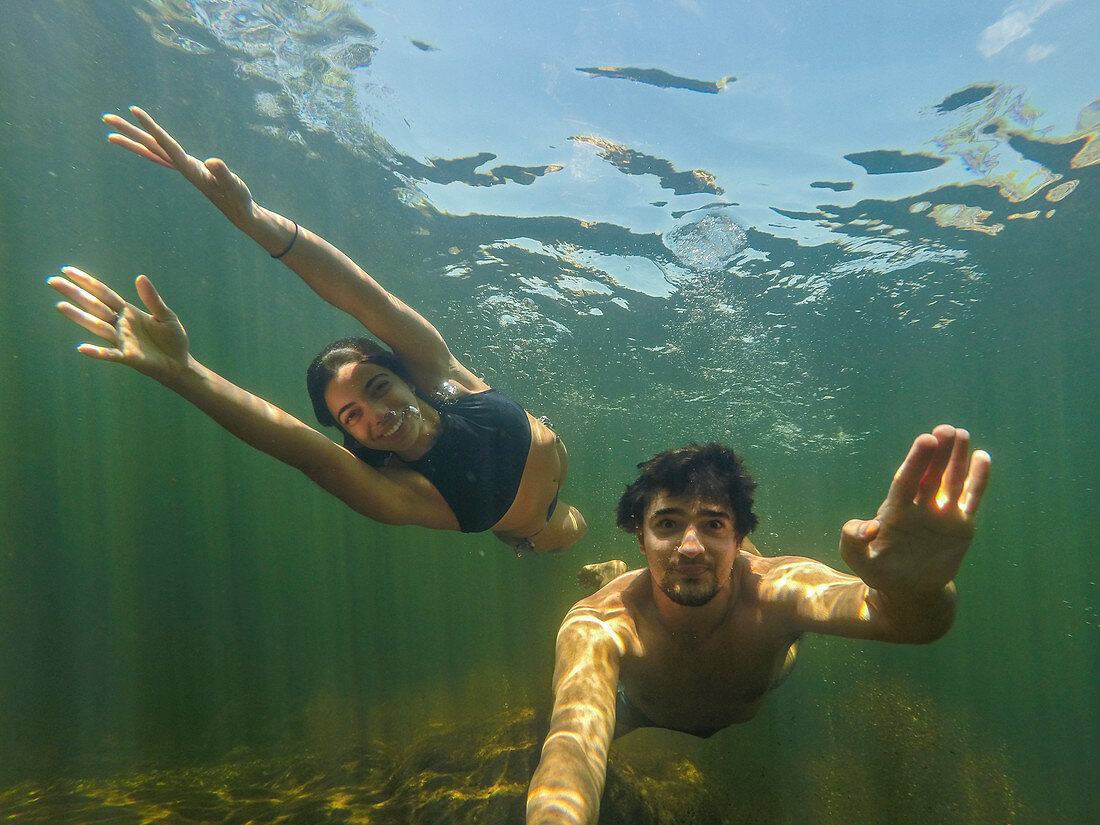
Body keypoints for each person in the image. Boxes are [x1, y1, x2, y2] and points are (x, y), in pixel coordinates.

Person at [47, 106, 585, 554]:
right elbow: (300, 447)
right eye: (352, 416)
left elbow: (362, 296)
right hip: (538, 528)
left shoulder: (438, 374)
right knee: (579, 531)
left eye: (376, 388)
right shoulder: (402, 490)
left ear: (404, 378)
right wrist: (184, 372)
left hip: (554, 452)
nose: (375, 416)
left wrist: (254, 219)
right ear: (348, 436)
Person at [526, 425, 990, 825]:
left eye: (714, 525)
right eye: (667, 524)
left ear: (740, 537)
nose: (690, 547)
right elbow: (571, 751)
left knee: (768, 605)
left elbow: (906, 622)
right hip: (642, 710)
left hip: (768, 674)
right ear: (640, 540)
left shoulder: (780, 589)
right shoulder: (598, 622)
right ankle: (618, 573)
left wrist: (917, 589)